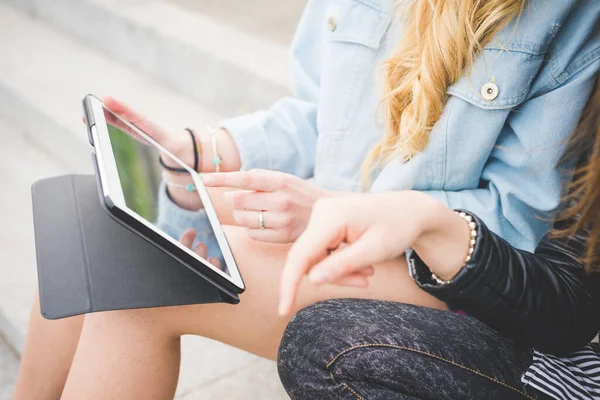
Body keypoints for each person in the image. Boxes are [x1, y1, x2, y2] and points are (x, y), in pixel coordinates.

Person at [12, 0, 600, 399]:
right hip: (330, 224)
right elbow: (322, 115)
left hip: (445, 273)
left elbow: (518, 221)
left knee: (138, 272)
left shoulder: (566, 17)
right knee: (86, 222)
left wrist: (340, 211)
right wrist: (197, 148)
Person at [276, 79, 600, 399]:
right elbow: (574, 297)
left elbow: (518, 213)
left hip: (487, 290)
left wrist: (426, 222)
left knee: (324, 343)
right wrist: (426, 221)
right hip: (523, 303)